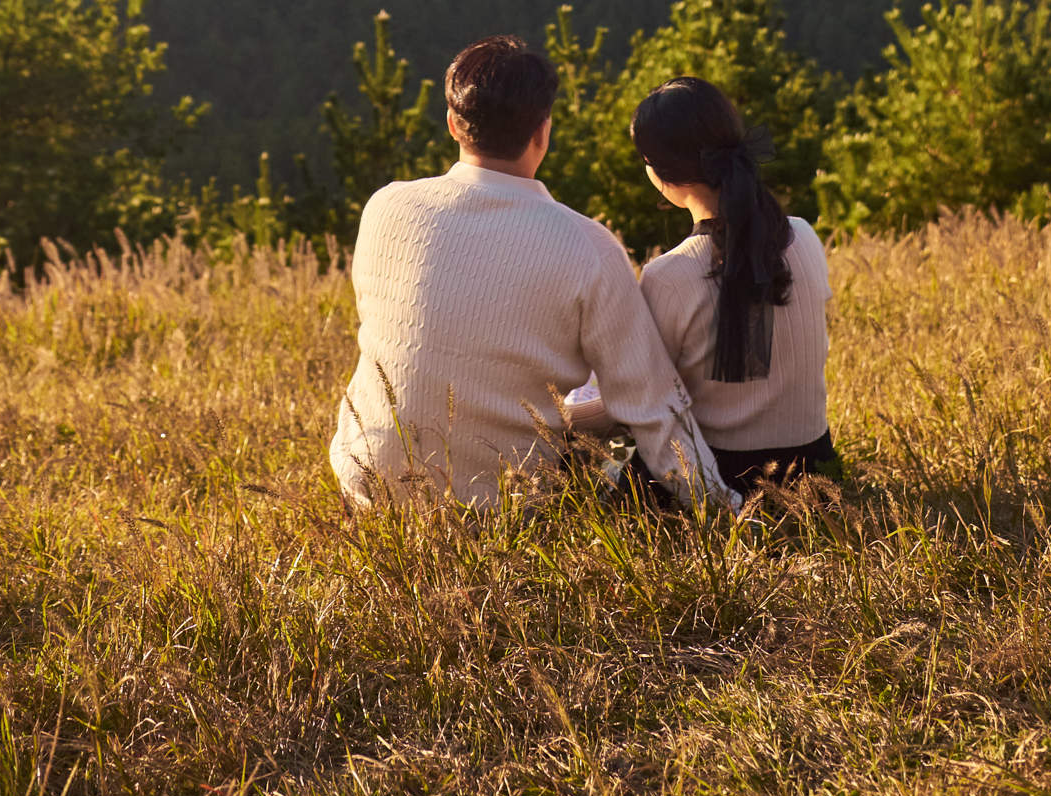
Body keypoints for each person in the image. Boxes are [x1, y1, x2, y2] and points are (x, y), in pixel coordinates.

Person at [328, 37, 739, 512]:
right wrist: (724, 507)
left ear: (452, 124)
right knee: (612, 444)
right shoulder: (588, 245)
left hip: (369, 489)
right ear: (543, 132)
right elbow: (650, 406)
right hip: (503, 505)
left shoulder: (385, 207)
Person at [620, 76, 838, 497]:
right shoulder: (804, 236)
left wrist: (568, 413)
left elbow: (646, 397)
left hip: (724, 473)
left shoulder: (669, 275)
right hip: (815, 466)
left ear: (661, 172)